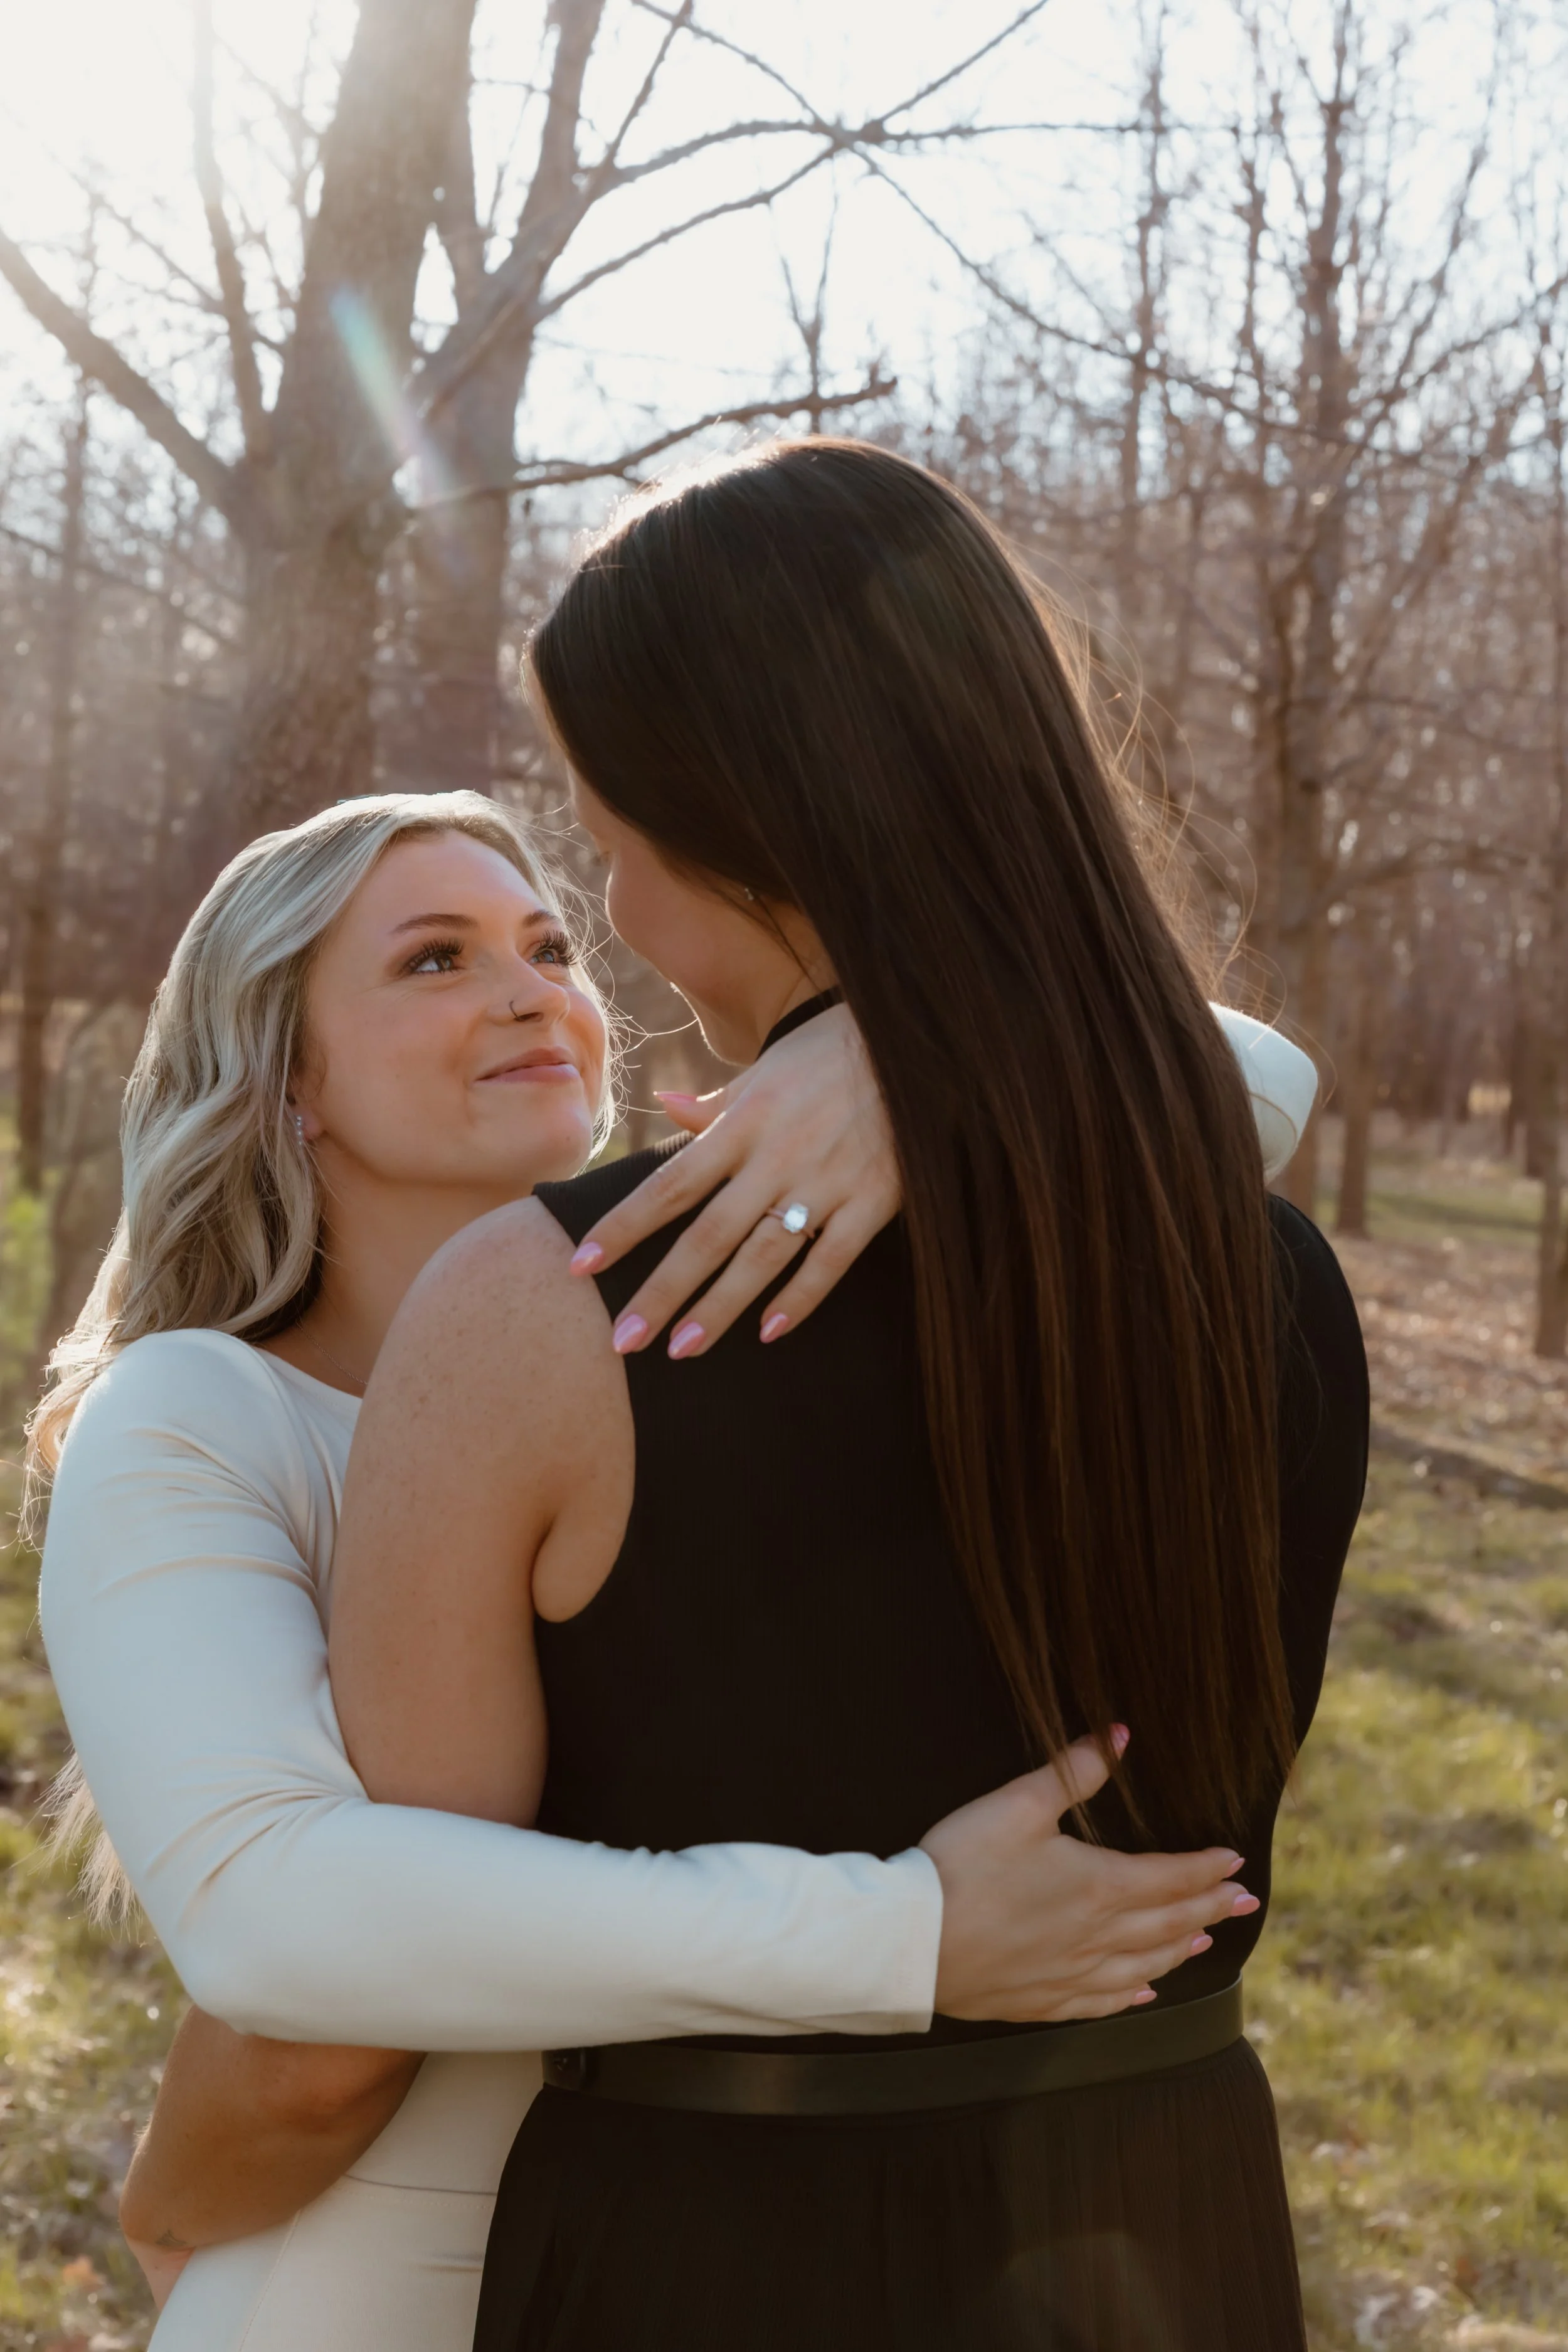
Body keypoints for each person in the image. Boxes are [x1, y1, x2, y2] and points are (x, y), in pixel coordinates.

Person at [317, 441, 1370, 2351]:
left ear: (747, 822)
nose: (612, 908)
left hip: (715, 2257)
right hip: (1172, 2226)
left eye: (608, 831)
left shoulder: (540, 1313)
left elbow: (396, 1935)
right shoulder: (1278, 1277)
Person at [34, 789, 1283, 2352]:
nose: (530, 990)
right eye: (434, 960)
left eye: (548, 944)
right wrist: (901, 1933)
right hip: (389, 2278)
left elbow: (1257, 1090)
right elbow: (282, 1935)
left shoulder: (684, 1316)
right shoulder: (196, 1411)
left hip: (708, 2241)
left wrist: (893, 1046)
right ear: (288, 1077)